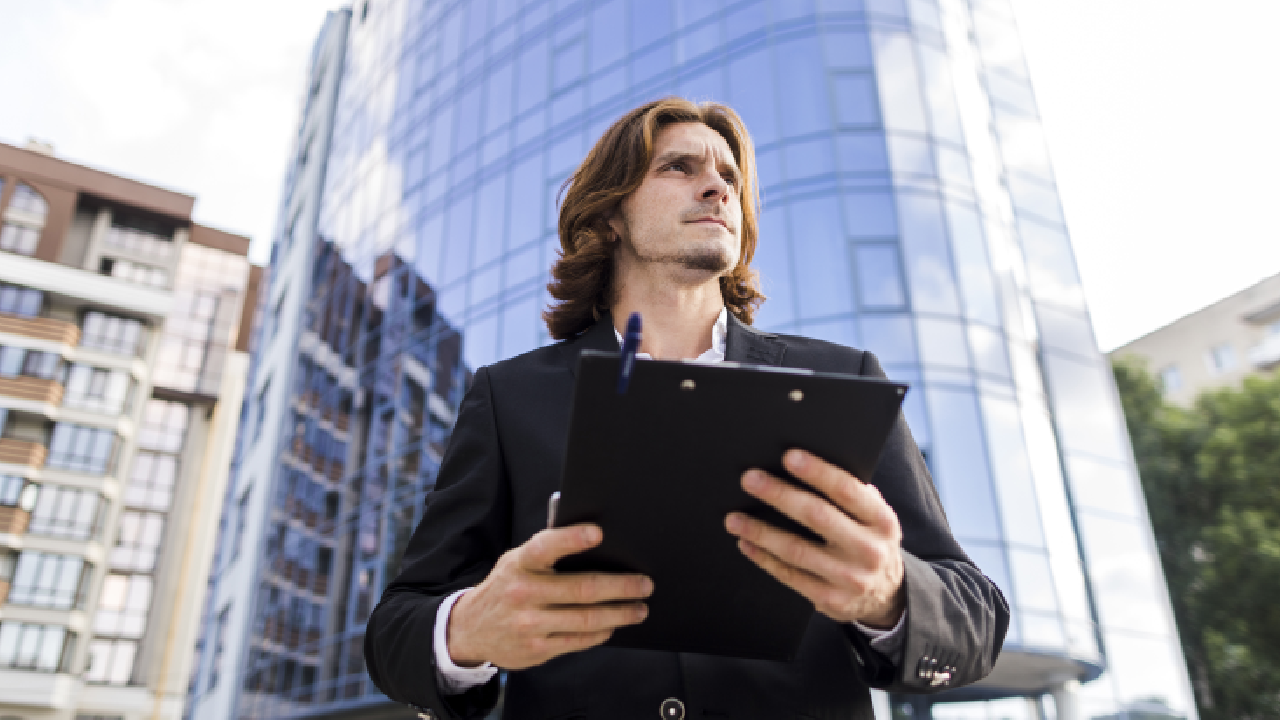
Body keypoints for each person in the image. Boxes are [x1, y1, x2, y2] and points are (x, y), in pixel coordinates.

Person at [365, 98, 1009, 720]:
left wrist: (890, 593)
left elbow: (975, 616)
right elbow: (395, 631)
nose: (718, 188)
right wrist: (468, 630)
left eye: (730, 176)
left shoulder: (842, 378)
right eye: (680, 167)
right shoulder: (508, 398)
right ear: (610, 212)